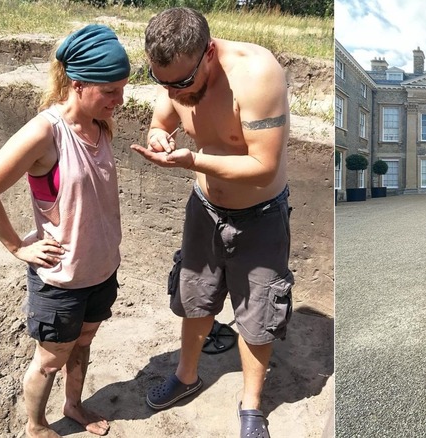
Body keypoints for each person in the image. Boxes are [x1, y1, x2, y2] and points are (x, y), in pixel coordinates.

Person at [131, 8, 292, 438]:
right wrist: (157, 135)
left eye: (182, 84)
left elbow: (263, 165)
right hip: (204, 208)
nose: (173, 92)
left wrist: (193, 160)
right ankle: (187, 376)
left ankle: (251, 404)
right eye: (162, 82)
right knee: (194, 297)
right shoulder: (175, 75)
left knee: (258, 312)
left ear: (208, 53)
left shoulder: (257, 75)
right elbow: (161, 119)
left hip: (258, 216)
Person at [0, 25, 130, 438]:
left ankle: (73, 405)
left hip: (100, 270)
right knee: (49, 359)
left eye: (123, 89)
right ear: (78, 84)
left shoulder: (100, 123)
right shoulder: (46, 133)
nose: (121, 100)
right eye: (111, 91)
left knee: (83, 344)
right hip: (61, 280)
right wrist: (16, 247)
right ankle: (36, 426)